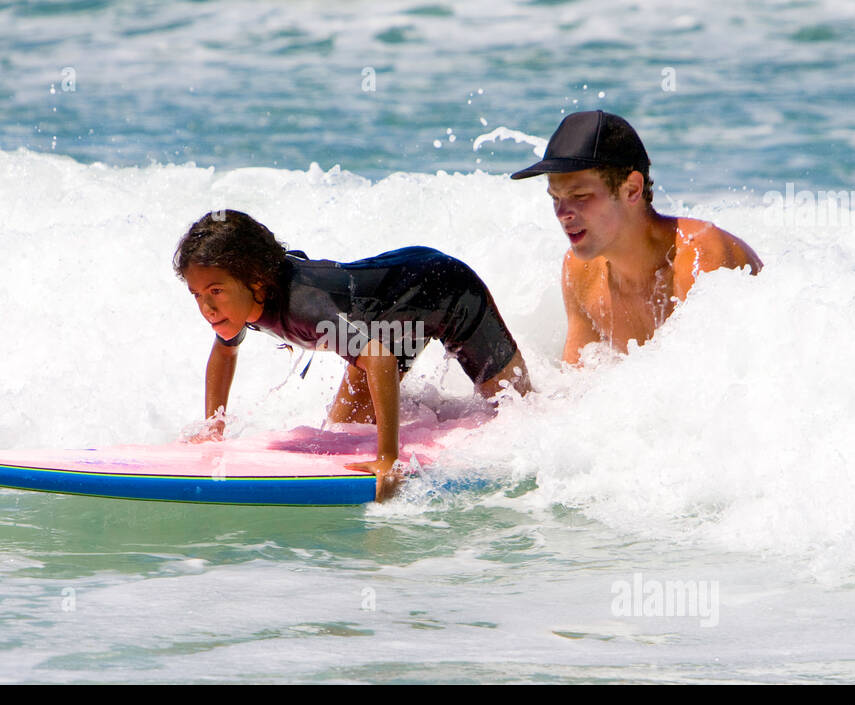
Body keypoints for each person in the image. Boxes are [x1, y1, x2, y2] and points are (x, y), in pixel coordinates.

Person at [173, 210, 531, 501]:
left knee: (519, 410)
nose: (206, 306)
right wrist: (213, 429)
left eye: (215, 291)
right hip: (390, 316)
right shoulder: (241, 301)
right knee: (346, 429)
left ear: (256, 280)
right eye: (197, 294)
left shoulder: (304, 307)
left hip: (448, 290)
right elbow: (224, 353)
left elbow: (379, 359)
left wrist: (387, 460)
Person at [511, 110, 762, 363]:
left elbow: (719, 386)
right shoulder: (581, 271)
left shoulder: (700, 261)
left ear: (632, 189)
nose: (562, 213)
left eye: (580, 196)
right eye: (555, 198)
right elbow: (575, 384)